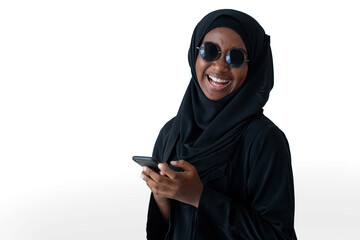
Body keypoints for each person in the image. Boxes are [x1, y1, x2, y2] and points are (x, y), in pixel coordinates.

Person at [140, 9, 297, 240]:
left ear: (252, 67)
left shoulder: (264, 140)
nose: (220, 66)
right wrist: (162, 197)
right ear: (195, 55)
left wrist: (199, 197)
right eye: (210, 51)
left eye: (235, 57)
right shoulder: (172, 132)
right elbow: (163, 232)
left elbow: (277, 235)